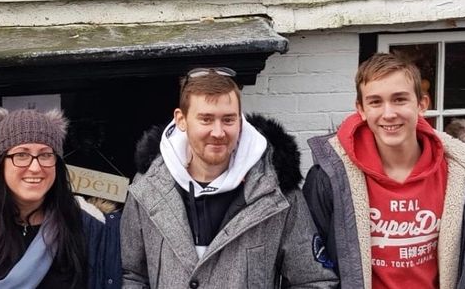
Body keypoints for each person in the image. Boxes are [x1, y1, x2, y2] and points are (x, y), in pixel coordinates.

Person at [303, 53, 465, 288]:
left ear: (422, 104)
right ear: (361, 109)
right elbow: (312, 273)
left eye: (399, 99)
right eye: (375, 102)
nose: (389, 113)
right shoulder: (329, 177)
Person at [121, 67, 338, 288]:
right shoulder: (147, 188)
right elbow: (131, 275)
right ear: (181, 120)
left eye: (228, 120)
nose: (218, 132)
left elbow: (314, 280)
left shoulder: (275, 192)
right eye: (206, 119)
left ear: (240, 121)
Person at [0, 107, 120, 289]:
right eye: (21, 155)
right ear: (0, 163)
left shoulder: (80, 224)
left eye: (45, 155)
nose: (35, 167)